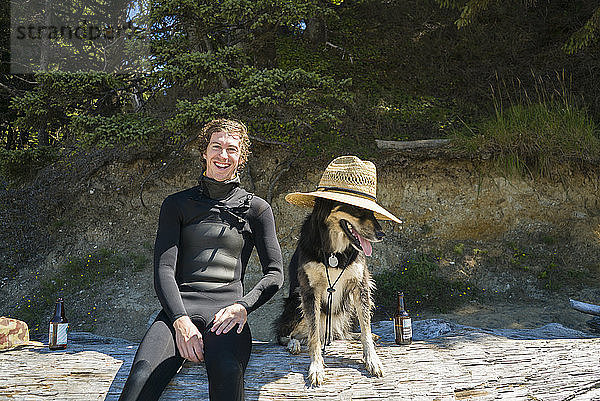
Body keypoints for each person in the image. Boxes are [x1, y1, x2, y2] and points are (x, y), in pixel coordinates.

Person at [119, 119, 284, 401]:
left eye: (231, 149)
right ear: (204, 153)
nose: (223, 155)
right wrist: (180, 321)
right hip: (179, 309)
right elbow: (164, 269)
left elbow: (275, 273)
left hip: (226, 315)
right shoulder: (177, 204)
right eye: (216, 146)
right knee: (139, 378)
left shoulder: (257, 209)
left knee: (228, 374)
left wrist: (243, 307)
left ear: (241, 158)